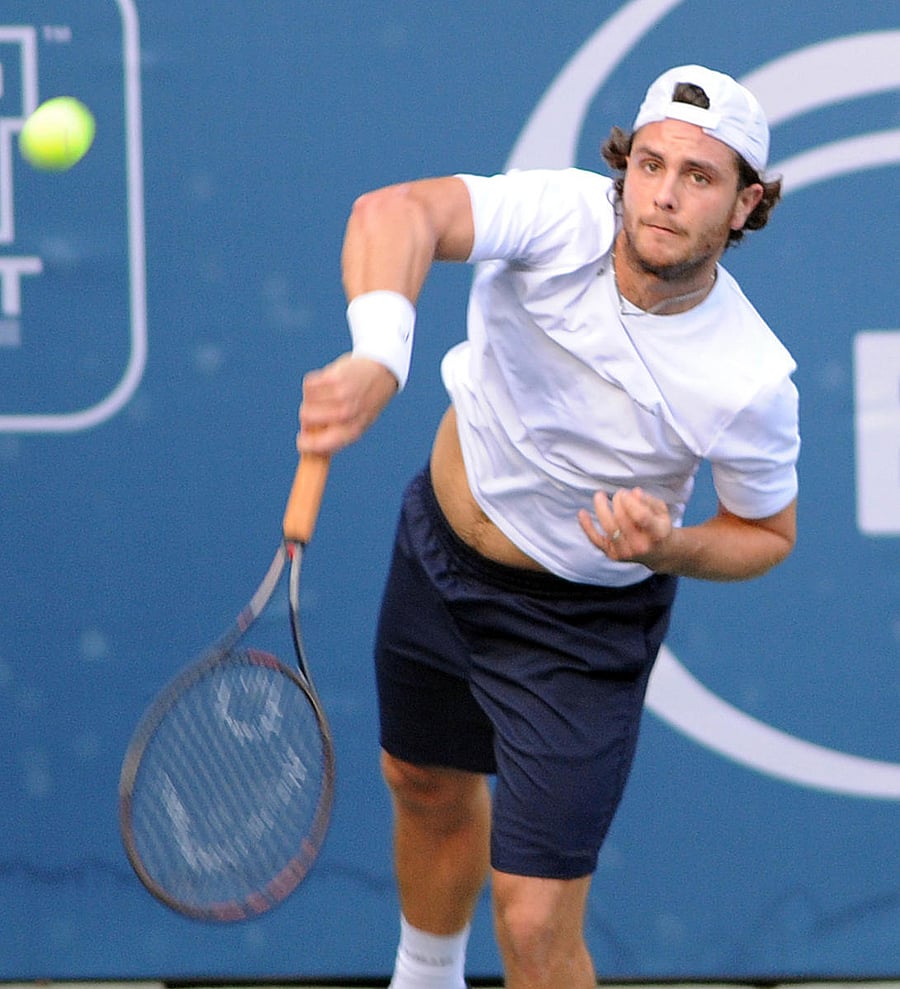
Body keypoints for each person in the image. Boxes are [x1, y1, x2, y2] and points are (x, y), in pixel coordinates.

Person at [298, 65, 800, 989]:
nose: (663, 195)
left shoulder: (751, 377)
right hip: (437, 556)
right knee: (423, 783)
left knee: (532, 925)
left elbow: (766, 533)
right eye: (651, 164)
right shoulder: (560, 215)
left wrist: (668, 547)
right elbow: (394, 213)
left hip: (577, 631)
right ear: (625, 167)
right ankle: (426, 978)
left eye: (699, 177)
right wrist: (379, 354)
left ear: (745, 204)